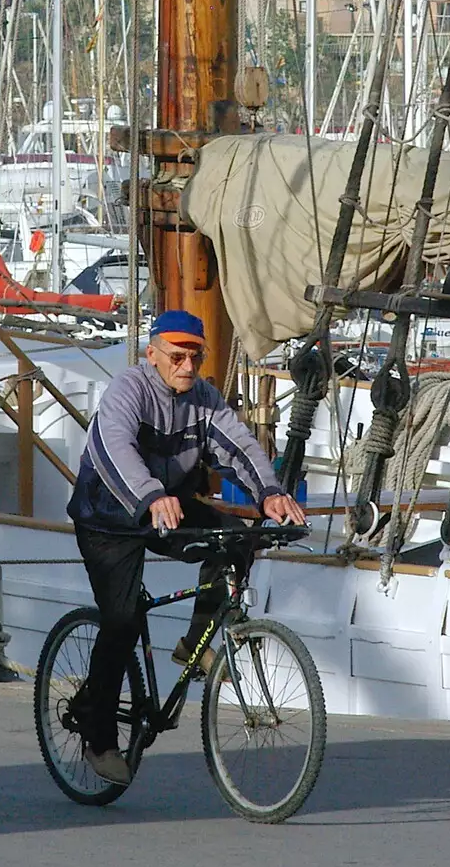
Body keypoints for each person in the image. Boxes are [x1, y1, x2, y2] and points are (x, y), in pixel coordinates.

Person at [67, 309, 307, 784]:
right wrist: (151, 495)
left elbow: (238, 447)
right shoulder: (127, 391)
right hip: (108, 517)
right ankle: (98, 738)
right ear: (151, 354)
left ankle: (192, 646)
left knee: (236, 542)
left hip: (166, 505)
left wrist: (270, 494)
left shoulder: (203, 399)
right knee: (121, 621)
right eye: (177, 356)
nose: (187, 366)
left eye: (195, 356)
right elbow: (115, 449)